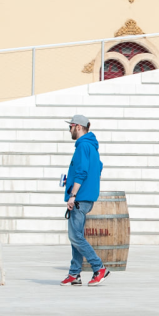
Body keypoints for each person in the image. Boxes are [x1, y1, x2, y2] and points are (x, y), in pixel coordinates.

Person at [61, 114, 109, 286]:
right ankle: (74, 274)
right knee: (77, 236)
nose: (69, 130)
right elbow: (98, 167)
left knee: (75, 237)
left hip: (80, 198)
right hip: (87, 196)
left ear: (78, 127)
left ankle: (99, 267)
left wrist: (73, 194)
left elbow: (82, 172)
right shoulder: (92, 146)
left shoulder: (82, 146)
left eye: (71, 127)